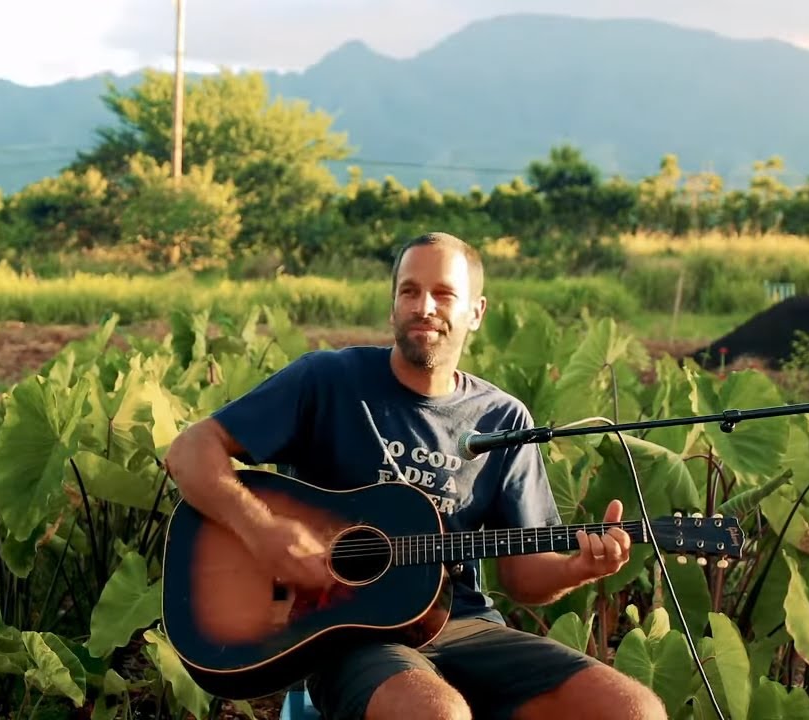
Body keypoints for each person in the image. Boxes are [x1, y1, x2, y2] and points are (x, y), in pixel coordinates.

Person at [165, 232, 667, 720]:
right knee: (435, 714)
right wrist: (261, 530)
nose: (424, 306)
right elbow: (191, 450)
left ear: (476, 312)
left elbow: (524, 577)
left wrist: (580, 567)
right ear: (393, 306)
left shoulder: (503, 420)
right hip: (347, 635)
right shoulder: (329, 380)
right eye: (410, 291)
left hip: (465, 625)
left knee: (633, 710)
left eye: (444, 293)